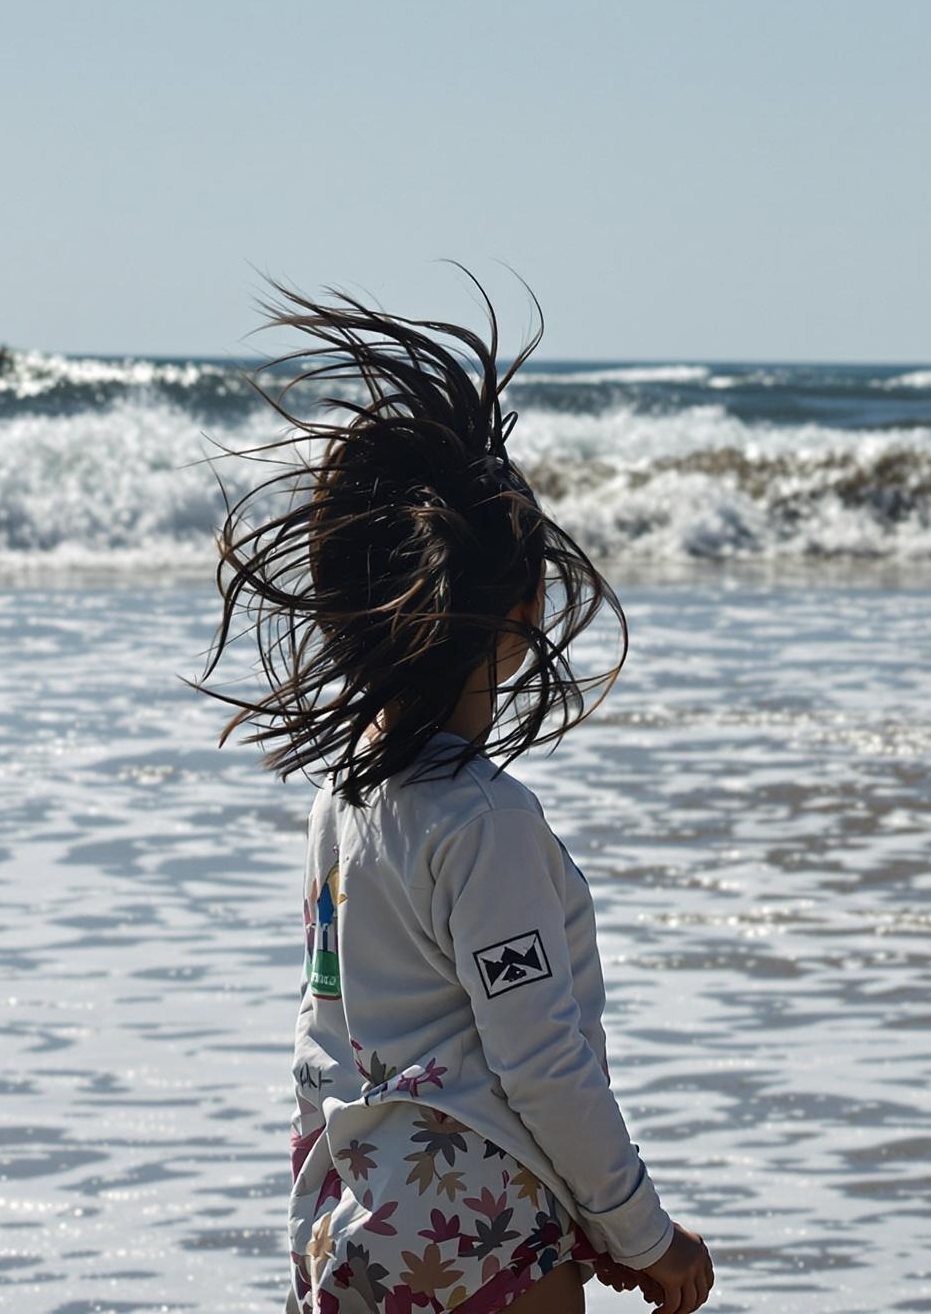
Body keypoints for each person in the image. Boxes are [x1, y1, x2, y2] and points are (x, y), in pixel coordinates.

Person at [206, 286, 713, 1314]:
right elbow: (540, 1064)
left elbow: (322, 1030)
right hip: (482, 1221)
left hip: (350, 1216)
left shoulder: (342, 799)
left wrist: (324, 1210)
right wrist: (640, 1231)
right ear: (522, 610)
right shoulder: (486, 824)